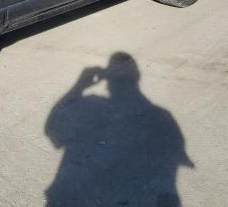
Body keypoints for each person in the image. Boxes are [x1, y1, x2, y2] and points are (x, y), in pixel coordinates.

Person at [45, 52, 193, 206]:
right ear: (137, 78)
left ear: (107, 80)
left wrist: (79, 85)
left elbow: (52, 129)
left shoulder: (90, 106)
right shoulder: (162, 117)